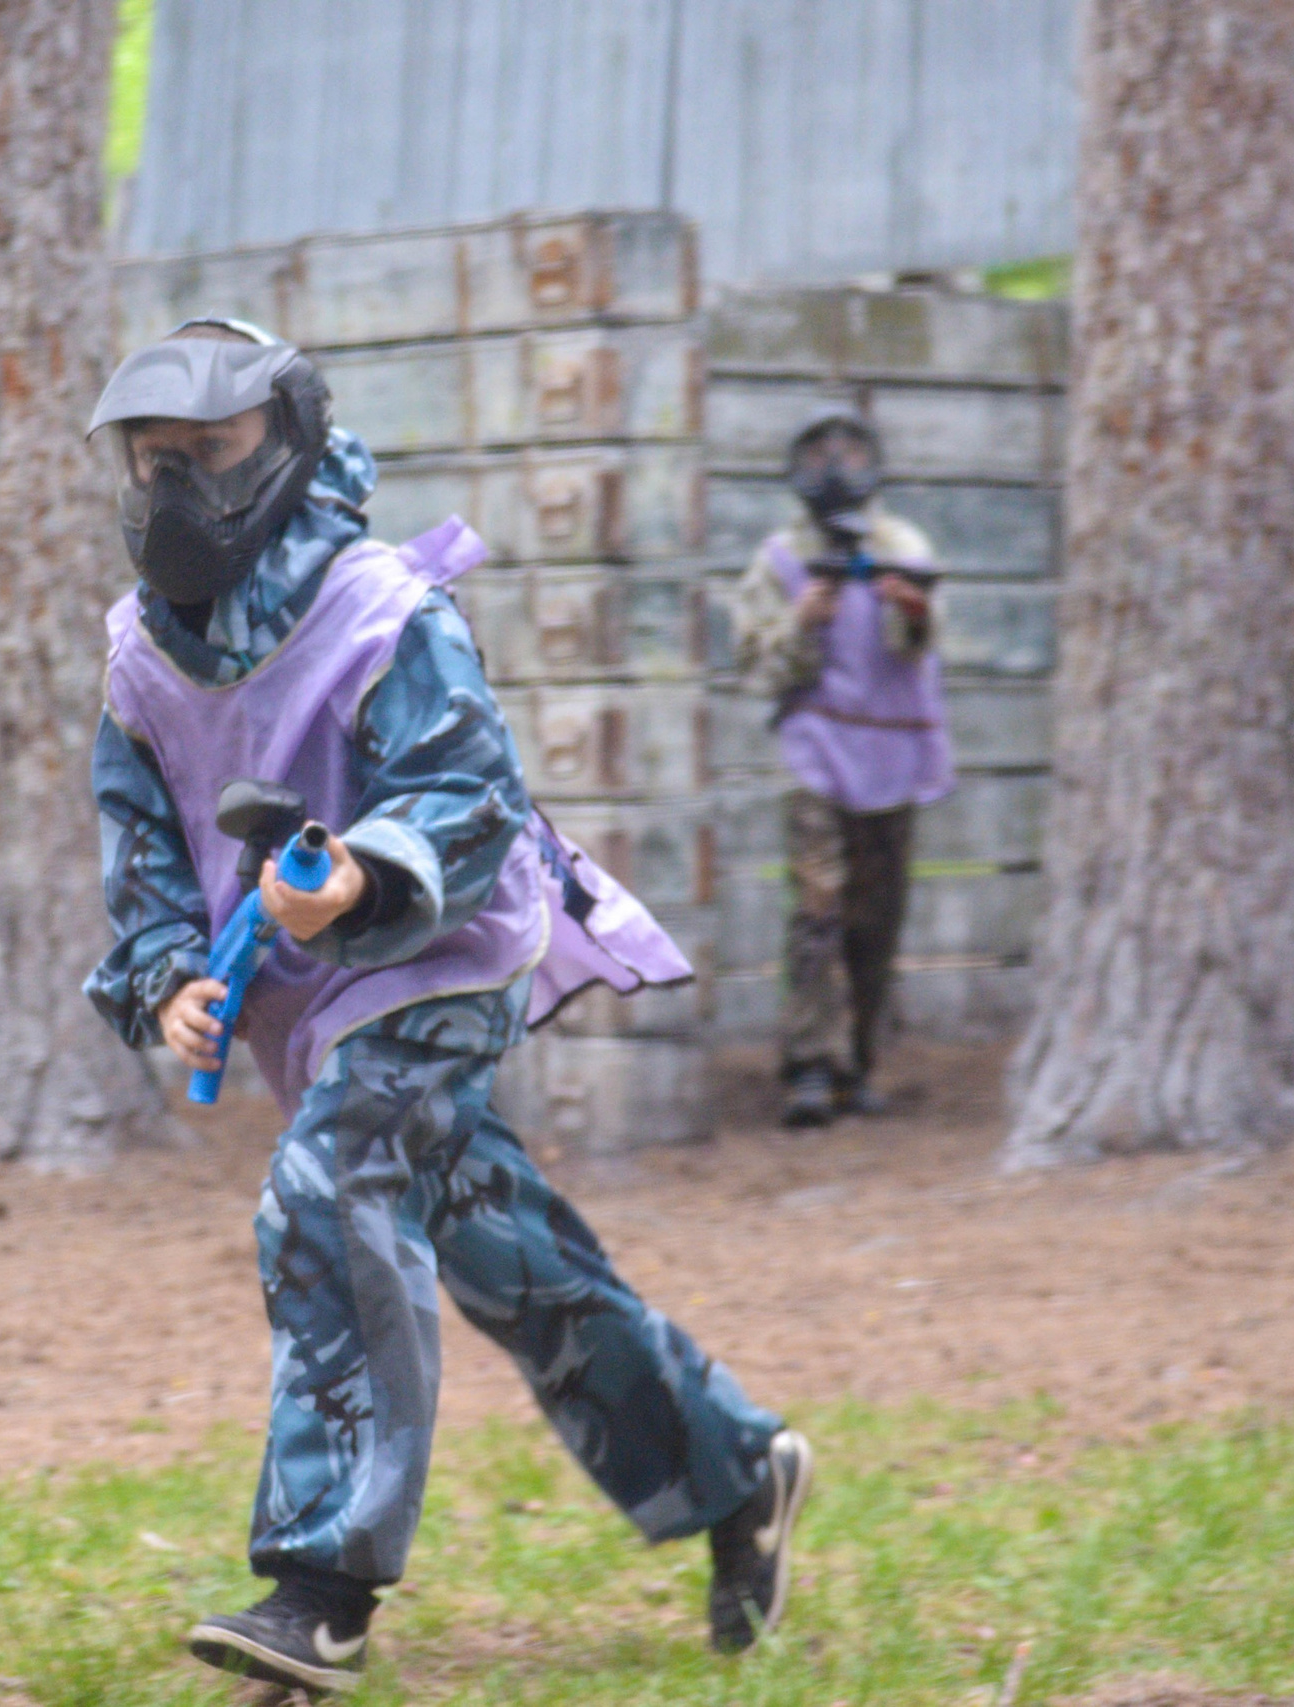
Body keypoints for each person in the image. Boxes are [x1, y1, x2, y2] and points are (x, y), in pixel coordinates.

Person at [81, 318, 813, 1696]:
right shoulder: (138, 655)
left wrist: (362, 868)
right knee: (507, 1257)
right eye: (152, 462)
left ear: (287, 449)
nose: (177, 493)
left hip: (438, 958)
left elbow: (469, 794)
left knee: (328, 1180)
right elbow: (144, 848)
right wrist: (169, 977)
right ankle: (734, 1468)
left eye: (212, 457)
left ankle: (319, 1583)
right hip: (309, 999)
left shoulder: (383, 608)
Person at [731, 407, 954, 1129]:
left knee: (877, 916)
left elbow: (922, 647)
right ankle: (806, 1065)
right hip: (817, 753)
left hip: (891, 753)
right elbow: (756, 666)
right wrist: (804, 619)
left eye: (851, 453)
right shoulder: (778, 561)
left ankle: (859, 1061)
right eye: (821, 452)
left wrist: (911, 609)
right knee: (818, 911)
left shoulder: (905, 547)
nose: (836, 468)